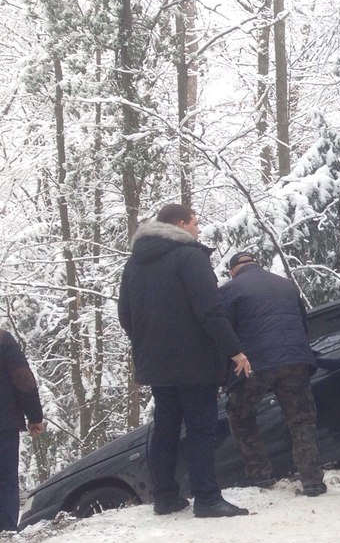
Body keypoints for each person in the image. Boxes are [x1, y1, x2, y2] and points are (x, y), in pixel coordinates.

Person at [118, 204, 252, 518]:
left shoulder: (134, 264)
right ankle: (207, 498)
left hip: (156, 363)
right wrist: (235, 351)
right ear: (180, 224)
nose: (198, 229)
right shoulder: (190, 257)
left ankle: (165, 497)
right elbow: (209, 311)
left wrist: (148, 343)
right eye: (195, 223)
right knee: (201, 429)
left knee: (165, 427)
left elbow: (125, 315)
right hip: (195, 362)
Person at [220, 251, 326, 497]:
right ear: (257, 264)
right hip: (295, 361)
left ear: (232, 271)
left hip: (254, 366)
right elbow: (303, 322)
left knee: (240, 415)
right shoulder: (285, 284)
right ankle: (312, 481)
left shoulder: (230, 290)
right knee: (302, 420)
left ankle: (261, 475)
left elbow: (224, 333)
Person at [0, 331, 44, 531]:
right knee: (6, 481)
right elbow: (22, 378)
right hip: (4, 424)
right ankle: (7, 533)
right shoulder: (2, 339)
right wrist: (35, 416)